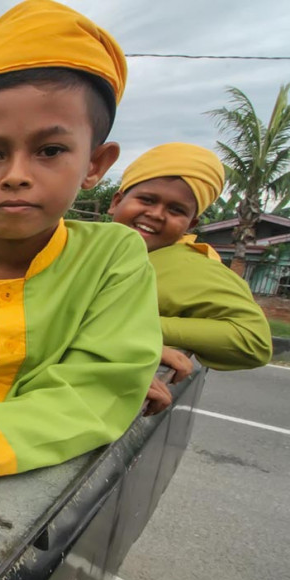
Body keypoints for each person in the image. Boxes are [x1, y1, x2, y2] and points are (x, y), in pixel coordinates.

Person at [0, 0, 162, 478]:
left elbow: (102, 384)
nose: (16, 176)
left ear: (95, 165)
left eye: (50, 150)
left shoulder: (112, 256)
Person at [109, 143, 272, 411]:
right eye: (147, 199)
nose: (156, 214)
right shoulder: (87, 246)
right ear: (116, 201)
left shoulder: (193, 267)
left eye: (176, 210)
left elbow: (253, 340)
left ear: (191, 224)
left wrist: (140, 331)